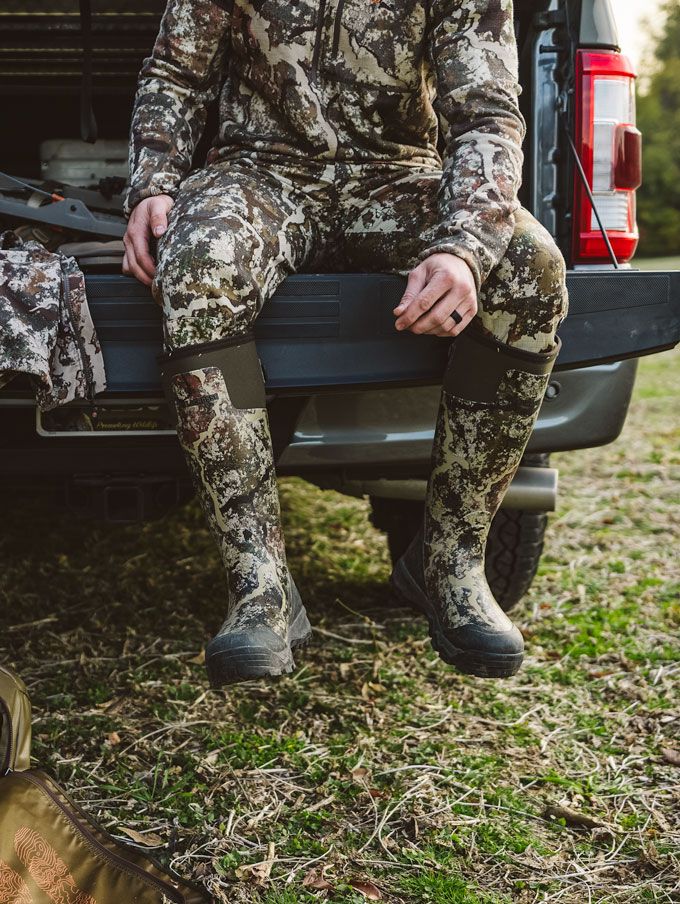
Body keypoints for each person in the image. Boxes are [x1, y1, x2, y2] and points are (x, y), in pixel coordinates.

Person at [122, 0, 569, 688]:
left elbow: (485, 113)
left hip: (397, 177)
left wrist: (461, 248)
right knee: (198, 262)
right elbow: (176, 73)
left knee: (531, 269)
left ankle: (449, 561)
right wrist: (153, 185)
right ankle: (259, 585)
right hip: (260, 174)